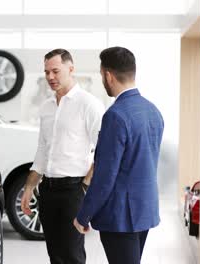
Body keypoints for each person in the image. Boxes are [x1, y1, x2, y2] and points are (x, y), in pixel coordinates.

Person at [73, 46, 164, 264]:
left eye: (102, 75)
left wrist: (83, 215)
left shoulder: (115, 115)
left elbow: (105, 176)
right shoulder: (153, 111)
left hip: (121, 215)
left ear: (108, 75)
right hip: (144, 208)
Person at [21, 48, 105, 264]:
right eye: (47, 72)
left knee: (72, 255)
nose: (50, 77)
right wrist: (30, 187)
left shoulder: (89, 105)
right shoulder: (47, 107)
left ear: (71, 69)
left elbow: (104, 151)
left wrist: (84, 187)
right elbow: (42, 149)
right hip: (48, 190)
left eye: (55, 71)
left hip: (73, 191)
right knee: (55, 254)